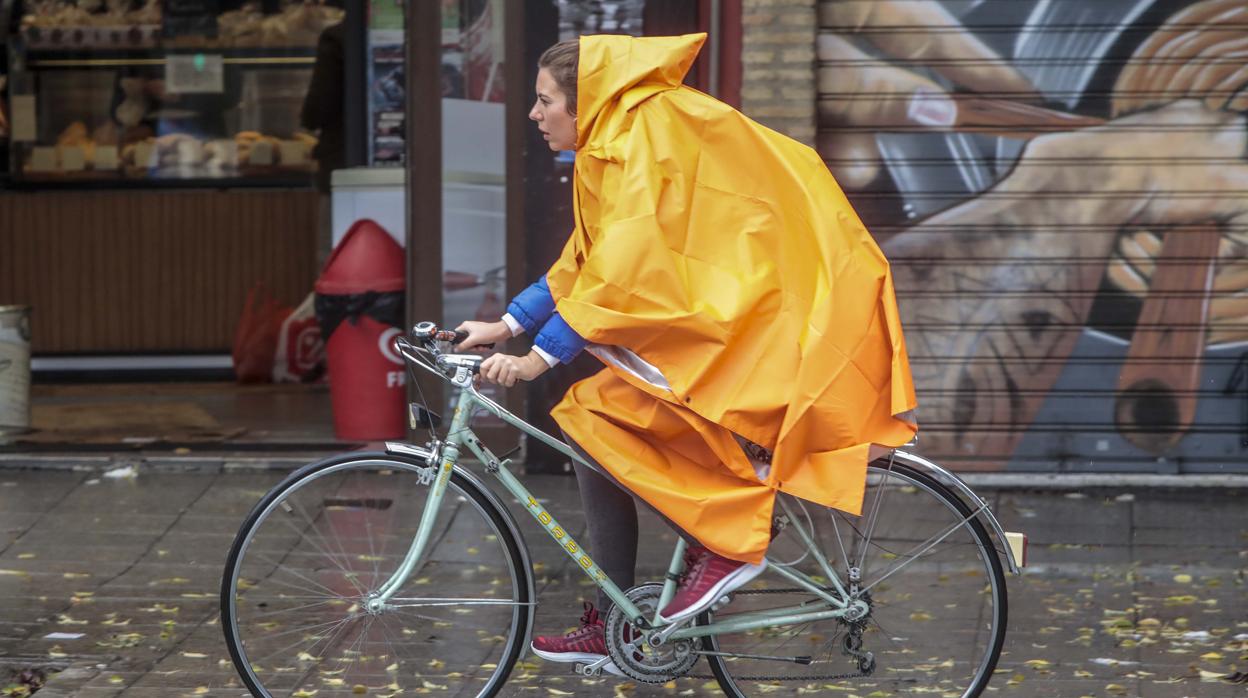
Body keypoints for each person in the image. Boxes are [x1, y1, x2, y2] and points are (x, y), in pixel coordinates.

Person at [455, 33, 918, 674]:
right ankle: (619, 616)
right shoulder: (613, 144)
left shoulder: (641, 138)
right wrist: (508, 323)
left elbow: (625, 268)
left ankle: (728, 542)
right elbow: (586, 260)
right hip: (729, 312)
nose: (534, 114)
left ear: (584, 102)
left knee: (598, 414)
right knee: (594, 423)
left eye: (544, 100)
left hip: (756, 319)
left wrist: (539, 358)